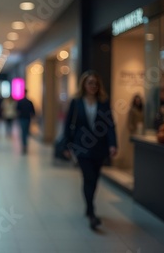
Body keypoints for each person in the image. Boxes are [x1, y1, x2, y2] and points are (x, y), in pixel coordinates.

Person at [63, 70, 117, 230]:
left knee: (95, 179)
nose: (93, 86)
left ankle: (88, 206)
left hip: (99, 147)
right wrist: (67, 145)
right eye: (90, 83)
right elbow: (68, 124)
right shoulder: (76, 101)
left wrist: (113, 144)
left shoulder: (104, 102)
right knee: (88, 177)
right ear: (84, 85)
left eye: (95, 83)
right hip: (82, 145)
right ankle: (92, 212)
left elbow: (110, 125)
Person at [16, 90, 35, 154]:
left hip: (22, 118)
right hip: (27, 118)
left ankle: (24, 145)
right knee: (26, 132)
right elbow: (33, 112)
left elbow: (17, 110)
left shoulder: (20, 102)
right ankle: (25, 144)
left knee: (23, 132)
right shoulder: (29, 102)